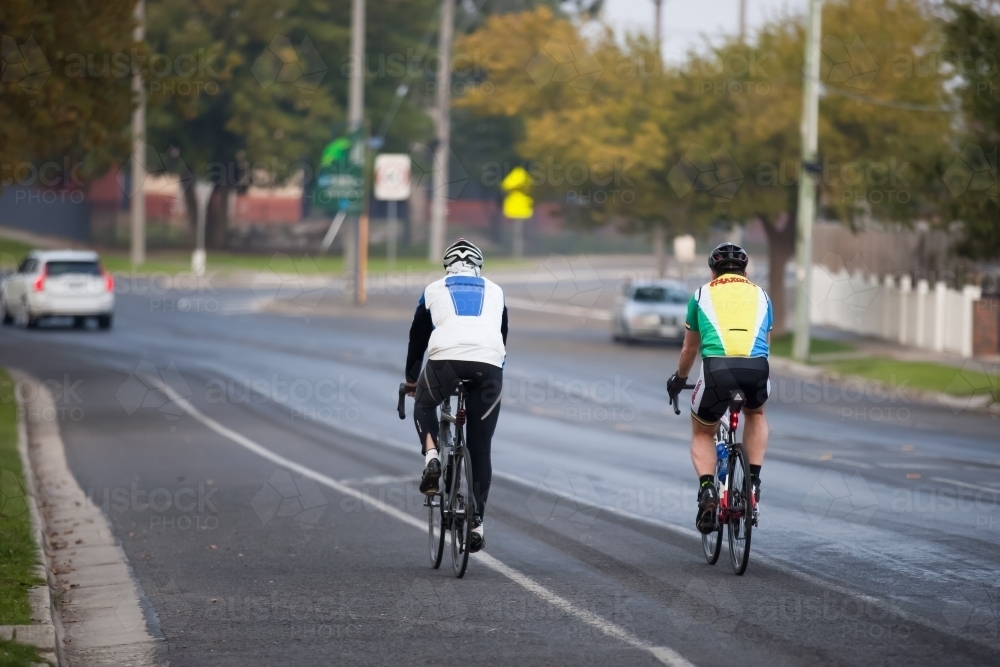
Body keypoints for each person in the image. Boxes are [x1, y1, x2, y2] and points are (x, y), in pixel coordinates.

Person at [404, 238, 507, 553]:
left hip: (444, 362)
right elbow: (501, 337)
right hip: (488, 367)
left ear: (447, 267)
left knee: (424, 404)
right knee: (481, 449)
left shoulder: (433, 289)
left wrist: (411, 378)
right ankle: (476, 524)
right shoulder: (496, 291)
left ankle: (433, 458)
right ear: (479, 267)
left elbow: (417, 336)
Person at [666, 243, 773, 535]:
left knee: (702, 430)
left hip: (717, 371)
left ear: (713, 273)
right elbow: (765, 343)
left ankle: (707, 491)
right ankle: (753, 482)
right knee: (757, 414)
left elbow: (690, 348)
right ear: (745, 272)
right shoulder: (762, 295)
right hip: (756, 369)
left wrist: (679, 378)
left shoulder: (701, 294)